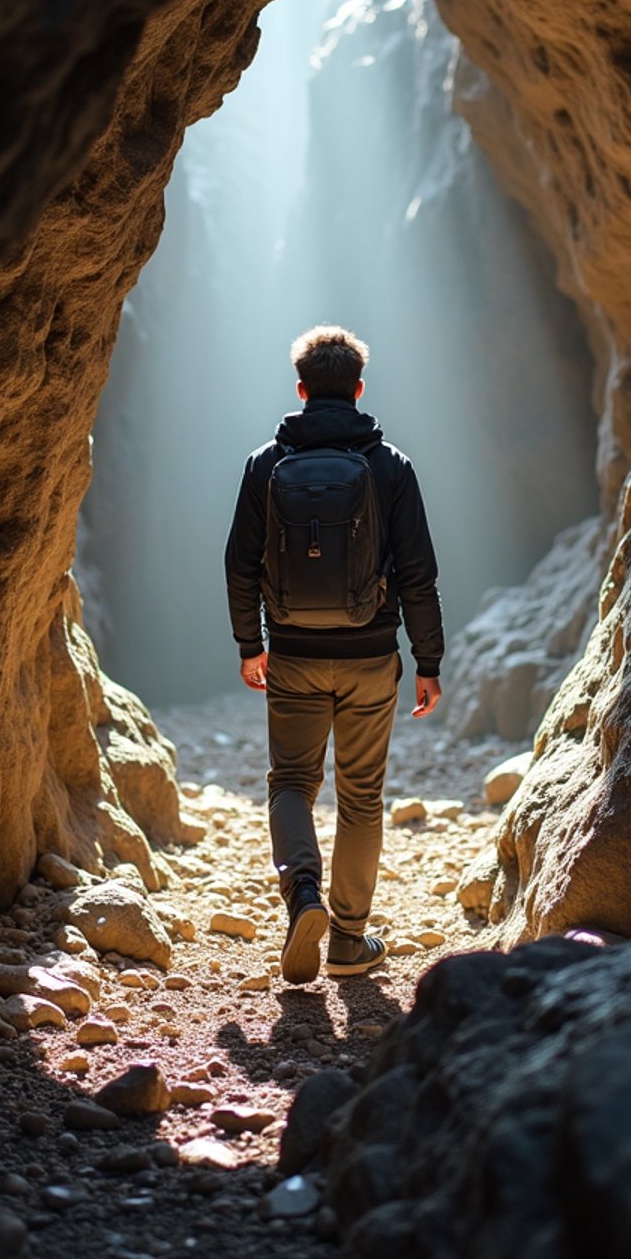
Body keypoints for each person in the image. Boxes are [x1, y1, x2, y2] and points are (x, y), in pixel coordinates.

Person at [224, 325, 444, 984]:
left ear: (300, 389)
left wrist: (250, 646)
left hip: (291, 653)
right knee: (361, 796)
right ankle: (348, 941)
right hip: (372, 657)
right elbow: (418, 574)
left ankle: (303, 899)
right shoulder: (390, 466)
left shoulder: (266, 464)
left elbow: (239, 565)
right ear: (358, 390)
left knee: (292, 783)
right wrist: (427, 661)